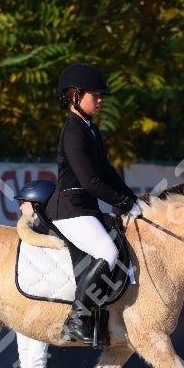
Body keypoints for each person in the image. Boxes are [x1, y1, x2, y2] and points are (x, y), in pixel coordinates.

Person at [44, 62, 142, 345]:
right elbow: (90, 182)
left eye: (101, 96)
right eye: (94, 95)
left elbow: (107, 172)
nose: (100, 101)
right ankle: (76, 319)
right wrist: (124, 202)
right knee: (107, 252)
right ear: (75, 96)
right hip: (69, 208)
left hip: (84, 208)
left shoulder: (90, 130)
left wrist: (134, 199)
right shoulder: (74, 132)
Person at [14, 179, 63, 368]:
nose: (20, 207)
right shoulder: (25, 231)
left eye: (24, 202)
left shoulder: (52, 234)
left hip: (44, 306)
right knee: (25, 366)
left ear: (37, 205)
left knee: (36, 363)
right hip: (24, 306)